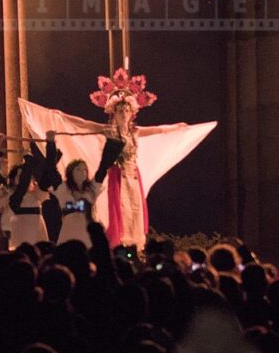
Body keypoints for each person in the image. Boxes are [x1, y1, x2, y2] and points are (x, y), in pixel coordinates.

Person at [18, 69, 217, 251]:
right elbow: (85, 125)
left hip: (133, 176)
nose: (124, 113)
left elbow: (158, 130)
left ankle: (135, 245)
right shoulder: (109, 130)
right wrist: (61, 116)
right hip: (116, 176)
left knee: (134, 209)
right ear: (114, 112)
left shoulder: (134, 131)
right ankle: (119, 244)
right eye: (120, 110)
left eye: (127, 110)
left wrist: (176, 128)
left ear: (132, 113)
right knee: (118, 210)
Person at [55, 138, 124, 247]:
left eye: (84, 169)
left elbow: (103, 168)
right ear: (70, 172)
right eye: (78, 169)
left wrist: (113, 143)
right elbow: (51, 170)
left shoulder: (91, 188)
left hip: (88, 230)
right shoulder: (63, 189)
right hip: (70, 230)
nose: (82, 172)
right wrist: (50, 144)